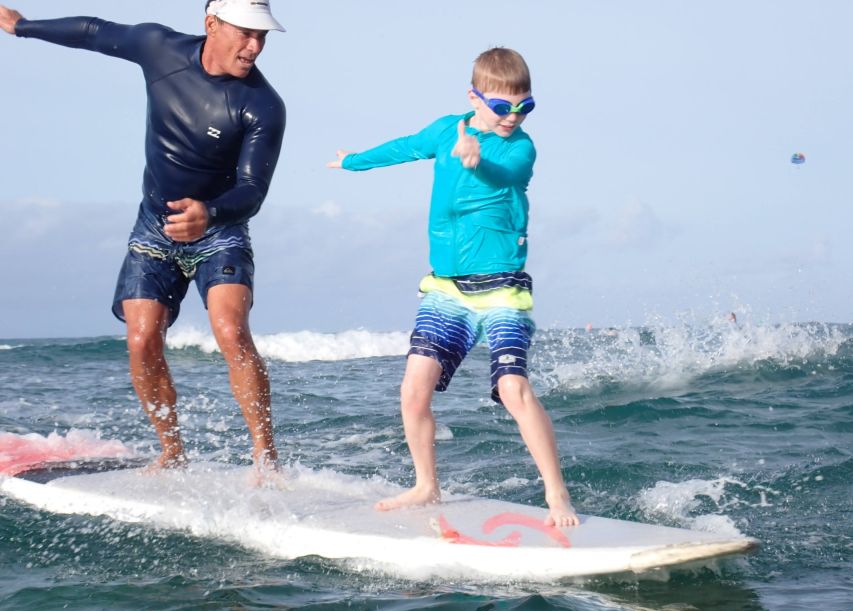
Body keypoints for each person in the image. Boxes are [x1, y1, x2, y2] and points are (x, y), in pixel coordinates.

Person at [0, 1, 286, 479]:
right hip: (154, 227)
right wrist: (23, 27)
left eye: (263, 36)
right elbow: (95, 31)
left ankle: (266, 459)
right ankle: (172, 451)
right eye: (246, 33)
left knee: (231, 332)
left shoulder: (262, 105)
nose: (255, 46)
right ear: (211, 25)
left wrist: (209, 213)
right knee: (141, 340)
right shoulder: (160, 48)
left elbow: (252, 191)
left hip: (219, 229)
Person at [328, 48, 579, 527]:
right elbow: (405, 147)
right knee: (413, 391)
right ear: (475, 97)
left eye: (525, 107)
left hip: (503, 287)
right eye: (503, 107)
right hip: (446, 289)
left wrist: (476, 159)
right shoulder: (448, 129)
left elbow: (506, 176)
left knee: (513, 388)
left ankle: (556, 494)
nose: (514, 117)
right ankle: (426, 486)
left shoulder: (520, 148)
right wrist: (354, 162)